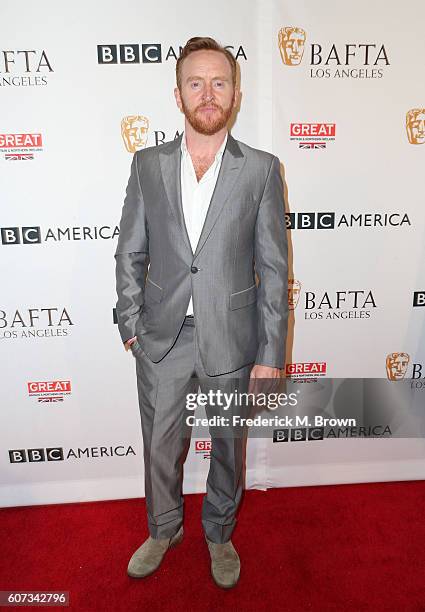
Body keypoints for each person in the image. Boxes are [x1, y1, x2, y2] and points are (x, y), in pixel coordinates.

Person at [114, 36, 288, 589]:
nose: (207, 94)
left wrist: (270, 354)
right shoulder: (147, 164)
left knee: (228, 448)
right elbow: (130, 250)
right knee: (160, 445)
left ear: (236, 94)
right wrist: (130, 324)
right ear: (178, 94)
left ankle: (218, 532)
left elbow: (275, 268)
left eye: (219, 83)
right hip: (161, 338)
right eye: (196, 83)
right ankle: (162, 529)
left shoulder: (261, 169)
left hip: (233, 339)